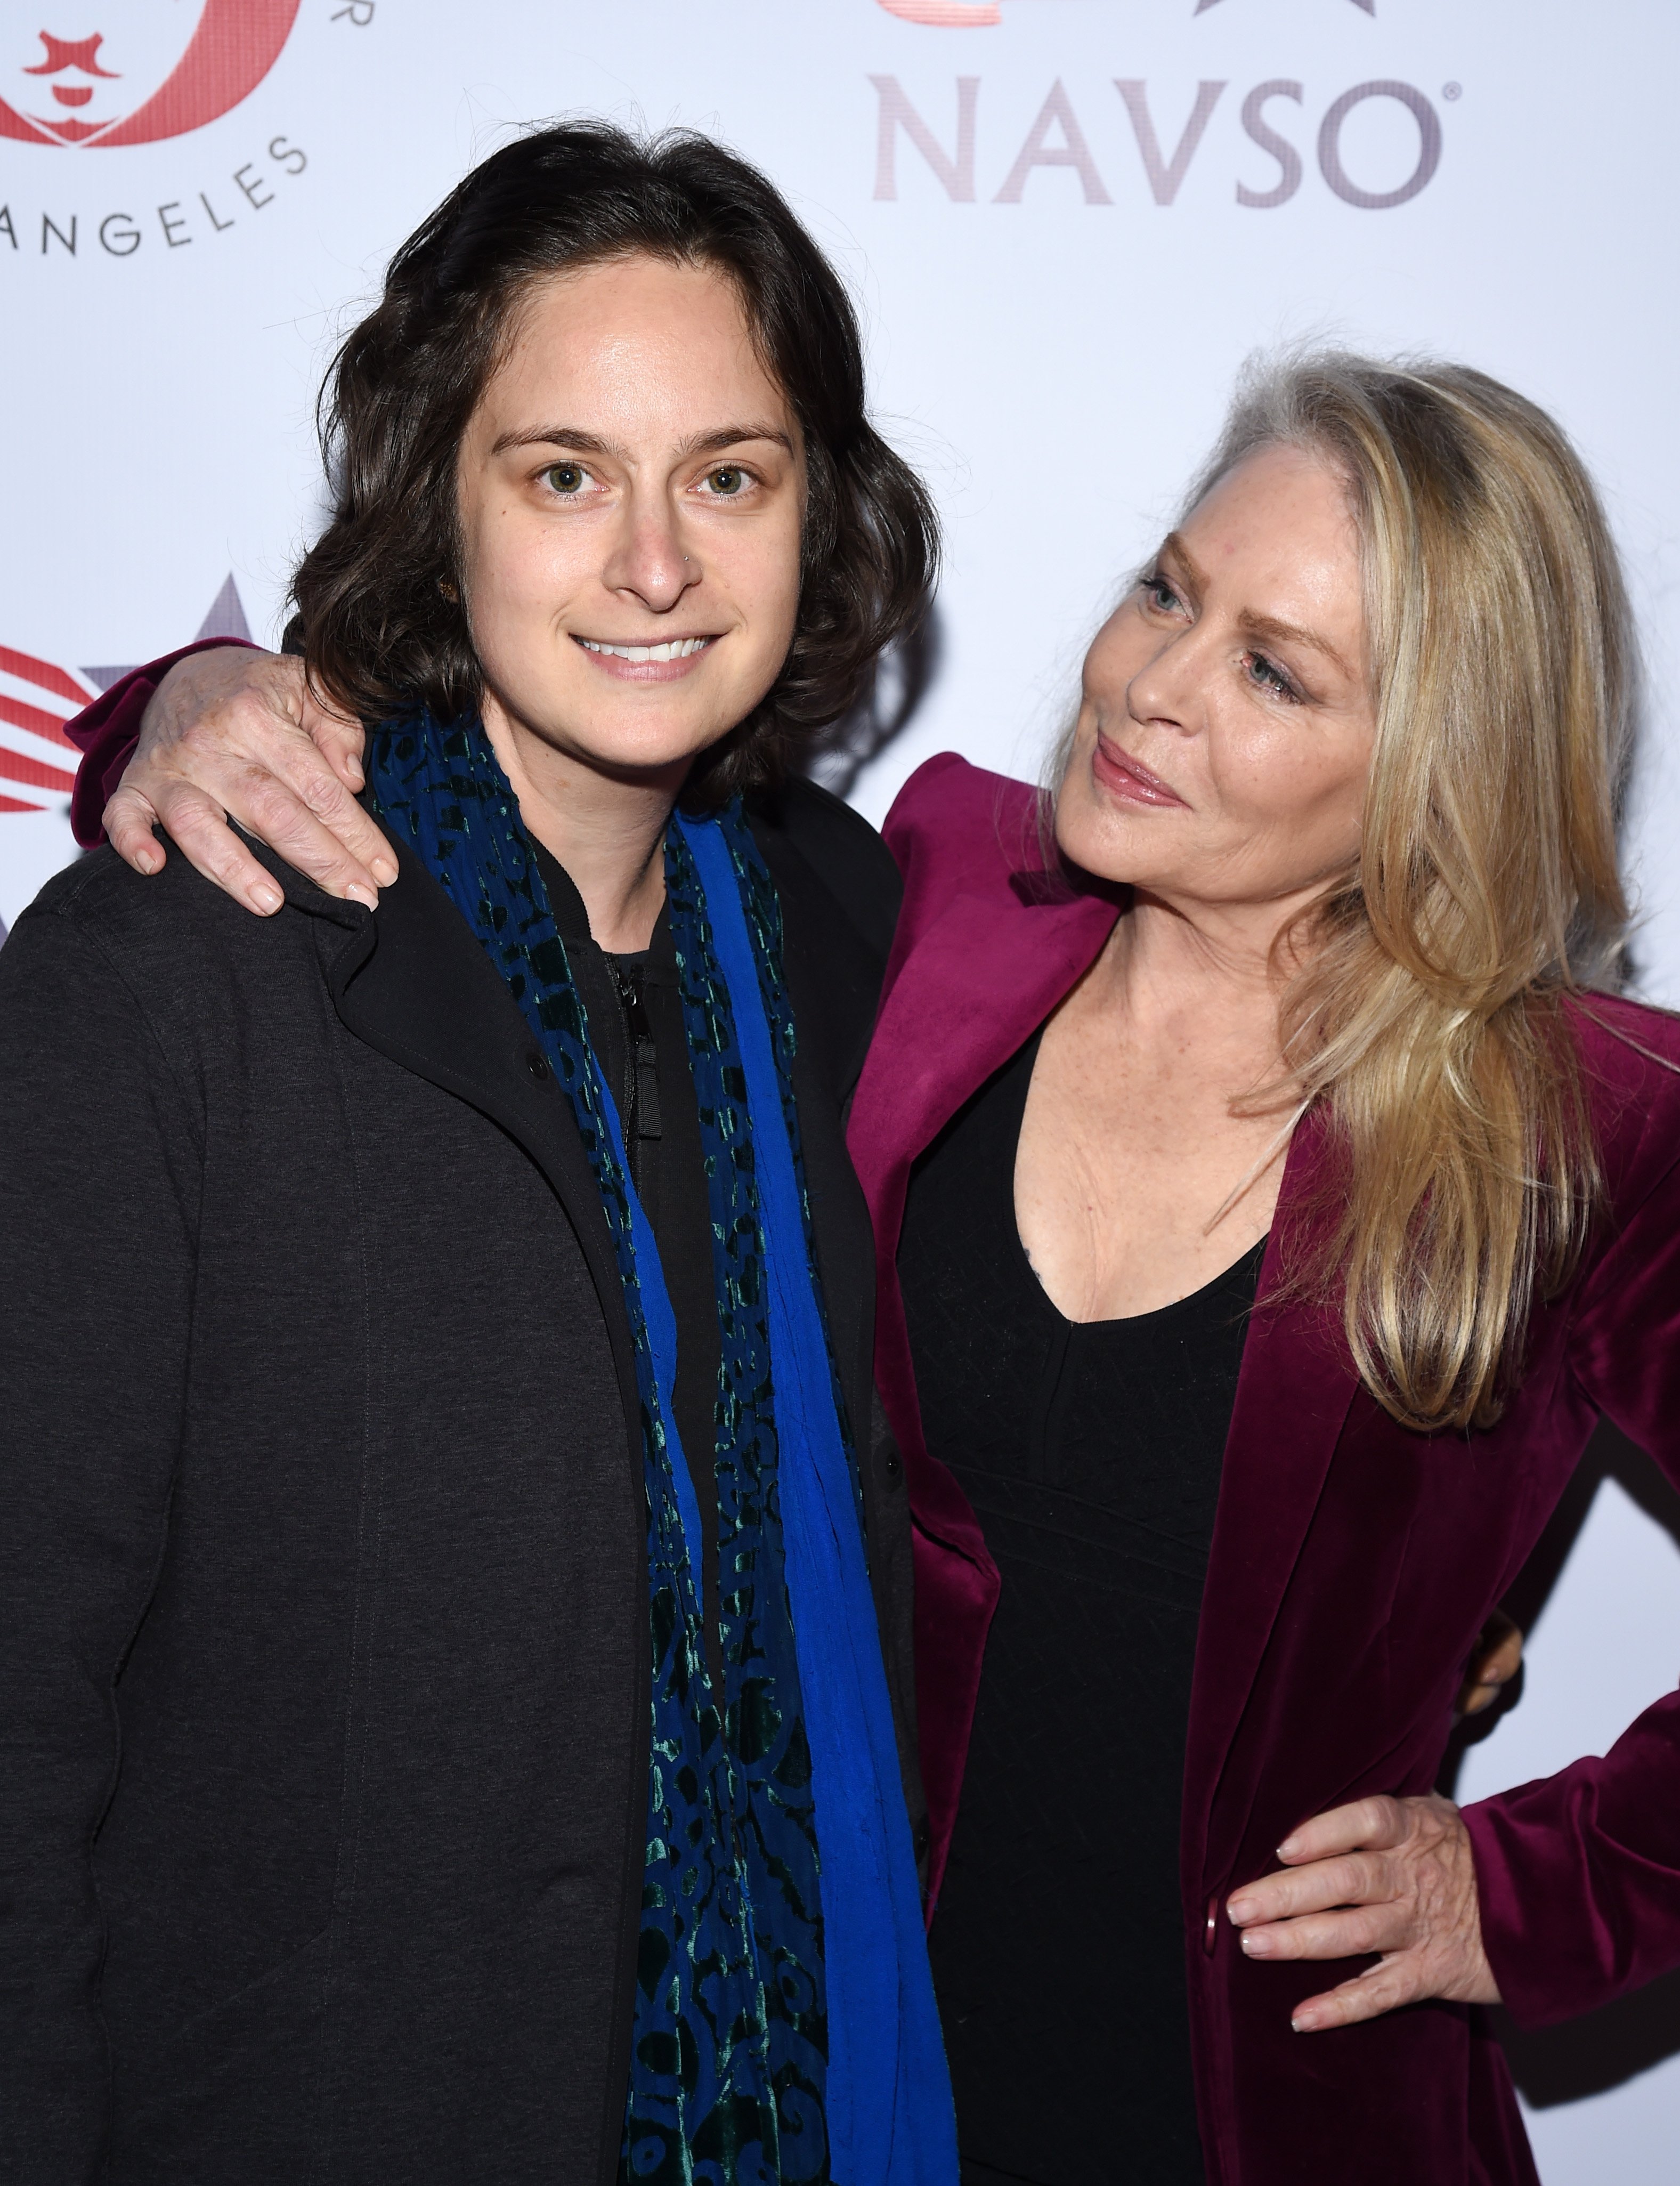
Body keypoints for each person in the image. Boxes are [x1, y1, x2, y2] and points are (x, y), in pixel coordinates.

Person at [0, 122, 959, 2185]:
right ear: (441, 500)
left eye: (730, 475)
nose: (655, 566)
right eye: (563, 476)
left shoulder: (854, 946)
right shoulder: (178, 969)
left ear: (820, 515)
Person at [849, 354, 1680, 2184]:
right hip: (849, 2098)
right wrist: (190, 707)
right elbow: (530, 841)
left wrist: (1549, 1891)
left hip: (1281, 2124)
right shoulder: (933, 896)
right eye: (1167, 588)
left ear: (1432, 775)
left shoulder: (1586, 1128)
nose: (1146, 687)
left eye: (1270, 671)